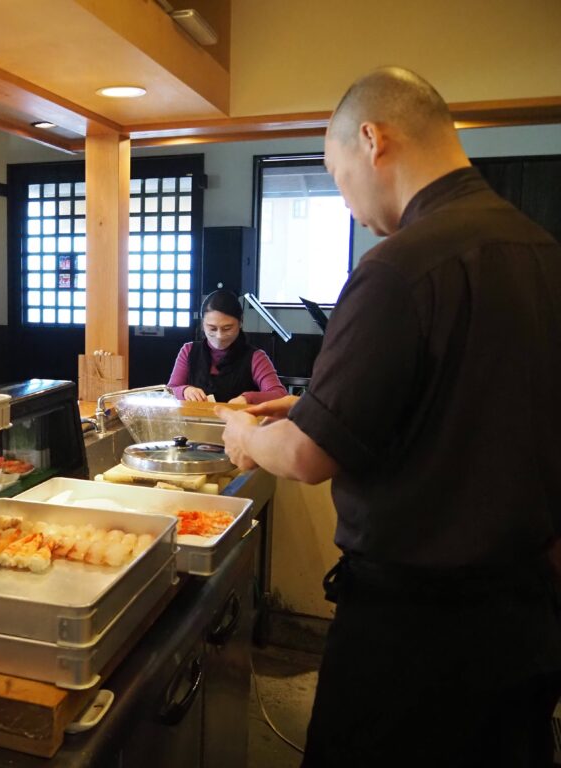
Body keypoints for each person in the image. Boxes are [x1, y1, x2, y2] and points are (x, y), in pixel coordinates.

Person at [218, 67, 561, 767]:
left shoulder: (397, 269)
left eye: (336, 175)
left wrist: (247, 435)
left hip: (415, 635)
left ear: (373, 140)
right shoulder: (542, 252)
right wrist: (314, 403)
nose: (345, 202)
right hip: (527, 620)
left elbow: (308, 456)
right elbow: (467, 398)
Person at [167, 289, 287, 404]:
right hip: (194, 417)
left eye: (227, 328)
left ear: (240, 322)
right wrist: (184, 390)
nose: (219, 336)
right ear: (203, 324)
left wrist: (248, 399)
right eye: (212, 328)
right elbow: (170, 390)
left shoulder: (255, 357)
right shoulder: (189, 351)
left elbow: (280, 395)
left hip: (238, 418)